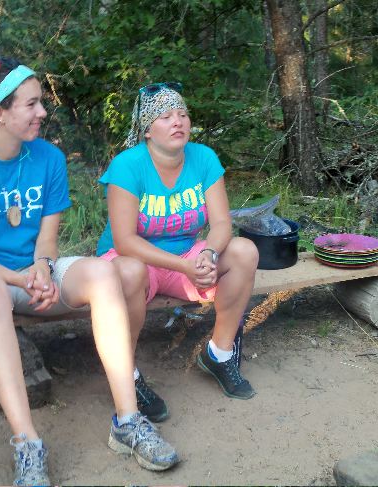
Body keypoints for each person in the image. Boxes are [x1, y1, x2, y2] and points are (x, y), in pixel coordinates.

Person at [0, 58, 178, 486]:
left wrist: (42, 268)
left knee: (103, 274)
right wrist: (19, 278)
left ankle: (128, 420)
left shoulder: (48, 159)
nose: (43, 112)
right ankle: (27, 444)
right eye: (32, 104)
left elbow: (47, 241)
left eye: (40, 102)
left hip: (34, 276)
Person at [97, 82, 259, 423]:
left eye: (182, 114)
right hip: (134, 260)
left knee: (244, 251)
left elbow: (221, 223)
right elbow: (124, 241)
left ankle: (219, 354)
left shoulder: (204, 158)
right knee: (128, 272)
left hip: (186, 254)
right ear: (147, 130)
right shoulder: (128, 166)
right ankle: (127, 376)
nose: (177, 121)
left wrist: (209, 254)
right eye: (166, 116)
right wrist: (184, 267)